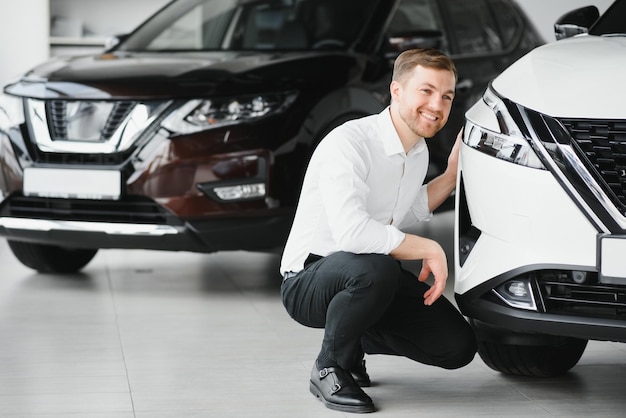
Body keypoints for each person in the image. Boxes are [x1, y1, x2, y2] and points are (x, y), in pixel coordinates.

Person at [279, 48, 477, 414]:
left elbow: (410, 207)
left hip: (367, 278)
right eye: (426, 90)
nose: (437, 104)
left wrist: (450, 176)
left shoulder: (417, 152)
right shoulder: (350, 142)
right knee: (378, 267)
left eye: (446, 96)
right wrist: (430, 249)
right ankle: (329, 367)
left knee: (457, 346)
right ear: (396, 91)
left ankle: (351, 339)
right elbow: (353, 235)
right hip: (308, 279)